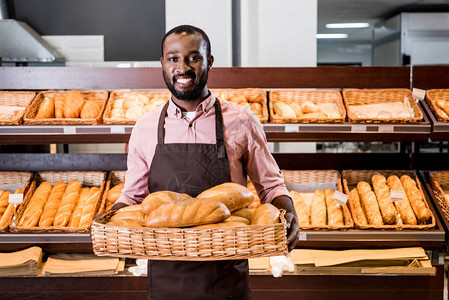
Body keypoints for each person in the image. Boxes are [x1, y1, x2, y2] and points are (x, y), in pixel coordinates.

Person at [111, 24, 299, 300]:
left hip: (226, 277)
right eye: (173, 58)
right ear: (162, 64)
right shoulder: (146, 126)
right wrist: (108, 219)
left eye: (193, 57)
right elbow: (133, 195)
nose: (182, 67)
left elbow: (270, 186)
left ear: (209, 61)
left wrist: (288, 211)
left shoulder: (241, 121)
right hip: (166, 278)